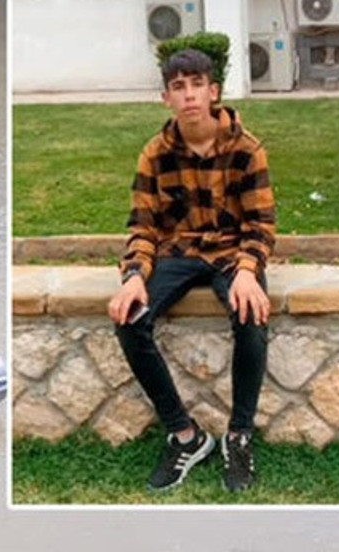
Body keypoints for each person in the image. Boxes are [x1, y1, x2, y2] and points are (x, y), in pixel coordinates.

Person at [106, 48, 275, 493]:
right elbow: (143, 225)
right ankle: (186, 436)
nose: (189, 95)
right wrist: (135, 277)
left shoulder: (246, 149)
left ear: (213, 91)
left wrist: (246, 270)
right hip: (177, 254)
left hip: (232, 254)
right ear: (167, 98)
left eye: (196, 84)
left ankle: (238, 436)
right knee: (130, 320)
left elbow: (260, 224)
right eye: (178, 87)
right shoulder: (155, 154)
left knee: (251, 316)